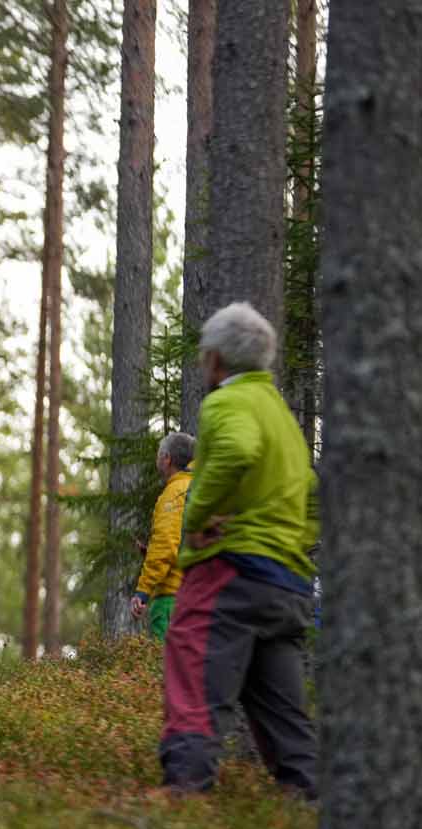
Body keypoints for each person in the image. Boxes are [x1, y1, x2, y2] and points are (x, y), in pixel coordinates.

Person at [160, 301, 319, 798]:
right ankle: (307, 798)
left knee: (193, 671)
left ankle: (185, 791)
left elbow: (235, 451)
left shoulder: (228, 403)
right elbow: (312, 491)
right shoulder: (281, 416)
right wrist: (291, 543)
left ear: (215, 359)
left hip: (231, 570)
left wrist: (198, 519)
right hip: (286, 581)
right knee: (281, 706)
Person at [130, 432, 196, 641]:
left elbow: (166, 546)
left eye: (159, 455)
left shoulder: (174, 494)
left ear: (167, 459)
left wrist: (142, 592)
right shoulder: (200, 489)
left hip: (172, 600)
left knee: (164, 660)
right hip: (201, 597)